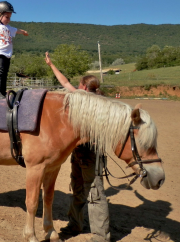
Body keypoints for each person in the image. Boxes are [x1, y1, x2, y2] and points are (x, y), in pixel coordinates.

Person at [45, 52, 110, 241]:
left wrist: (51, 64)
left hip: (91, 153)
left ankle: (101, 236)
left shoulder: (99, 105)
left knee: (95, 192)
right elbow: (64, 82)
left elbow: (65, 83)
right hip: (79, 153)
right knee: (78, 189)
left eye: (78, 85)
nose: (75, 87)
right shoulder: (84, 98)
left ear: (83, 86)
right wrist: (51, 65)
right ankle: (75, 225)